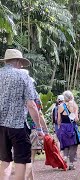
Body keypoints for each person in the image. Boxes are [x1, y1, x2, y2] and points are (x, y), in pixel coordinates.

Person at [0, 49, 44, 180]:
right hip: (18, 126)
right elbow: (31, 104)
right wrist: (39, 128)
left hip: (1, 127)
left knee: (5, 161)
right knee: (21, 161)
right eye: (21, 63)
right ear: (18, 61)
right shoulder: (23, 76)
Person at [20, 69, 49, 180]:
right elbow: (39, 114)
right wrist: (44, 130)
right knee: (30, 158)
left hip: (18, 127)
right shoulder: (34, 96)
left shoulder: (15, 93)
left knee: (22, 157)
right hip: (32, 128)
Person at [57, 90, 80, 170]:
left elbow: (59, 120)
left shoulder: (60, 106)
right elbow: (76, 119)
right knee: (73, 145)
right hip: (72, 127)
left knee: (65, 144)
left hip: (63, 127)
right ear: (71, 97)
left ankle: (65, 156)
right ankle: (71, 164)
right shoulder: (74, 105)